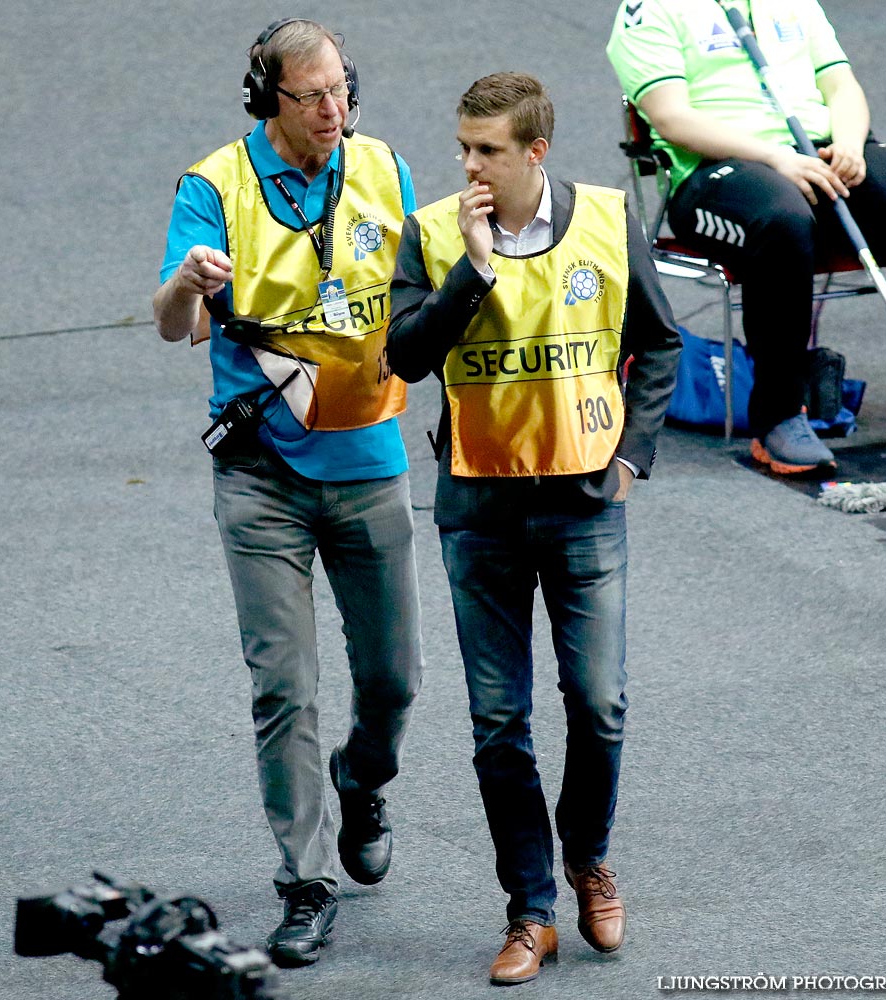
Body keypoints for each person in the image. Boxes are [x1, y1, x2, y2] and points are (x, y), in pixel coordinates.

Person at [388, 73, 681, 986]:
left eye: (489, 150)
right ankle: (529, 910)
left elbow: (661, 341)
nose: (469, 166)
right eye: (464, 148)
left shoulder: (600, 217)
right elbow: (402, 354)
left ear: (535, 152)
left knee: (598, 704)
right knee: (497, 721)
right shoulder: (437, 232)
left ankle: (587, 858)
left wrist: (632, 456)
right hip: (479, 510)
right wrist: (472, 269)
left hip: (586, 505)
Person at [152, 17, 423, 969]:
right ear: (267, 97)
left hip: (368, 461)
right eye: (312, 97)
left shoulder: (383, 167)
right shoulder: (213, 185)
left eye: (343, 90)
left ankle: (364, 777)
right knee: (284, 688)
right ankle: (304, 883)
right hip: (261, 476)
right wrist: (188, 281)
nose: (333, 112)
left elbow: (422, 296)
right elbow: (169, 323)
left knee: (395, 679)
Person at [607, 0, 886, 473]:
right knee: (783, 221)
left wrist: (851, 142)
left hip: (822, 155)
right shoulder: (649, 9)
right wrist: (775, 158)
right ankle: (779, 417)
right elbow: (671, 118)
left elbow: (840, 84)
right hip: (718, 174)